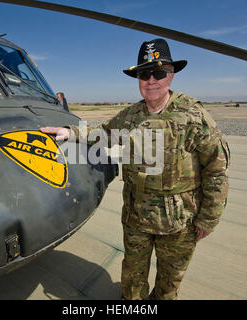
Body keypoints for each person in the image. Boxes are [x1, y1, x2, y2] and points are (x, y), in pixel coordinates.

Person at [41, 38, 230, 300]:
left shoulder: (193, 116)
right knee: (132, 281)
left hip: (179, 223)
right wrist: (70, 131)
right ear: (138, 78)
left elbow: (217, 169)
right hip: (136, 218)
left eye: (158, 72)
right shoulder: (131, 116)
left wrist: (209, 217)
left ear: (171, 75)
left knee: (168, 285)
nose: (151, 80)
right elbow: (104, 134)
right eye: (144, 74)